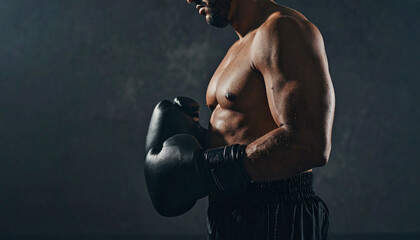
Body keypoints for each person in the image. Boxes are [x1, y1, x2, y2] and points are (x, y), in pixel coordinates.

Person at [144, 0, 335, 239]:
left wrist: (208, 169)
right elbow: (245, 130)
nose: (190, 0)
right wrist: (200, 141)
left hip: (276, 211)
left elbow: (309, 144)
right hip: (231, 209)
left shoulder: (283, 30)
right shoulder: (240, 46)